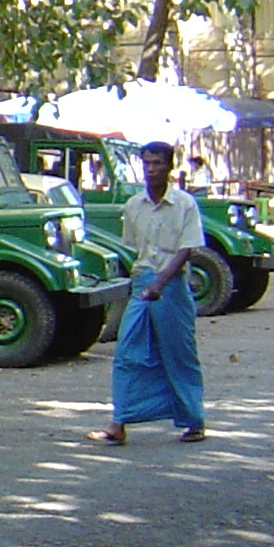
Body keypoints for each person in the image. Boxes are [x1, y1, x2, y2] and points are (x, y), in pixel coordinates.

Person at [93, 139, 207, 445]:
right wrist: (143, 283)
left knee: (179, 353)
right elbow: (133, 249)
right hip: (143, 282)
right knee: (127, 351)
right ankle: (120, 422)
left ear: (170, 166)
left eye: (158, 163)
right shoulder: (133, 206)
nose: (152, 169)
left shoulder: (184, 204)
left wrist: (161, 282)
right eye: (147, 163)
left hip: (172, 284)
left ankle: (193, 420)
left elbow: (187, 249)